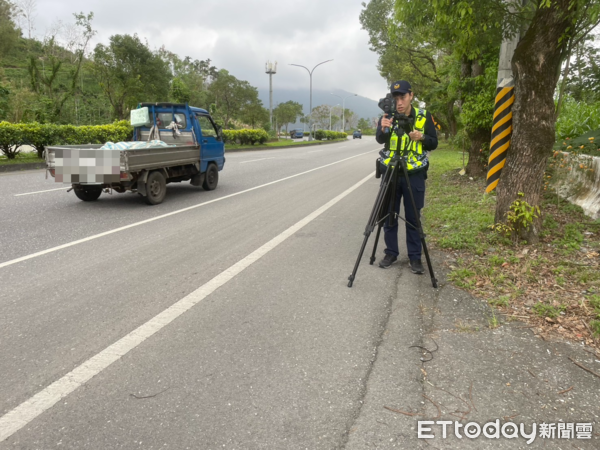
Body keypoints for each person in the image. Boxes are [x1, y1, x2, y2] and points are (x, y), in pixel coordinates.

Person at [375, 80, 438, 274]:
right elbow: (380, 140)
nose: (399, 102)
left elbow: (433, 143)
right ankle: (390, 252)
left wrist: (422, 138)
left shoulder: (423, 116)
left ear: (411, 95)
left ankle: (415, 257)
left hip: (414, 174)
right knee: (389, 215)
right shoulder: (387, 116)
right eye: (396, 98)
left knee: (413, 217)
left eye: (402, 97)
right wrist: (383, 127)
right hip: (392, 172)